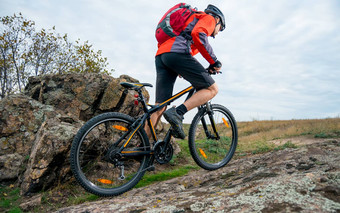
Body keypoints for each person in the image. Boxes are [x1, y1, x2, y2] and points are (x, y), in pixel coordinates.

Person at [146, 4, 226, 139]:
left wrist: (178, 67)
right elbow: (199, 34)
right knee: (212, 89)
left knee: (159, 106)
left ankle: (141, 147)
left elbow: (189, 44)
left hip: (162, 56)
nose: (217, 32)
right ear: (218, 19)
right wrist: (214, 62)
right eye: (221, 28)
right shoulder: (209, 18)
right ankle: (178, 112)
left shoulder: (190, 20)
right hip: (176, 53)